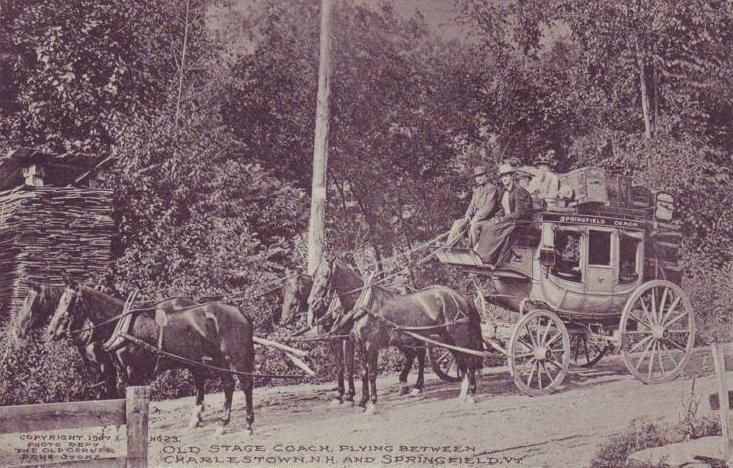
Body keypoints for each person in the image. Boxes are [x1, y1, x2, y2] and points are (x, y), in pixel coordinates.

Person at [474, 164, 533, 265]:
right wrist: (498, 216)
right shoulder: (504, 191)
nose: (504, 178)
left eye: (506, 176)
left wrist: (503, 218)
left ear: (512, 176)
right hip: (508, 220)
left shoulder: (519, 191)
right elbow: (503, 208)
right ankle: (480, 255)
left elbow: (520, 212)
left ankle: (486, 258)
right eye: (502, 176)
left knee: (491, 227)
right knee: (487, 225)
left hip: (518, 222)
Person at [447, 165, 500, 247]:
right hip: (475, 218)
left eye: (481, 176)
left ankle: (471, 250)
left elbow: (488, 208)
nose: (479, 179)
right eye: (477, 177)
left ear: (486, 176)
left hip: (487, 220)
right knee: (457, 224)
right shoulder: (477, 190)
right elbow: (471, 205)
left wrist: (475, 219)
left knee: (474, 227)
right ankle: (448, 248)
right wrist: (467, 215)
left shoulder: (492, 189)